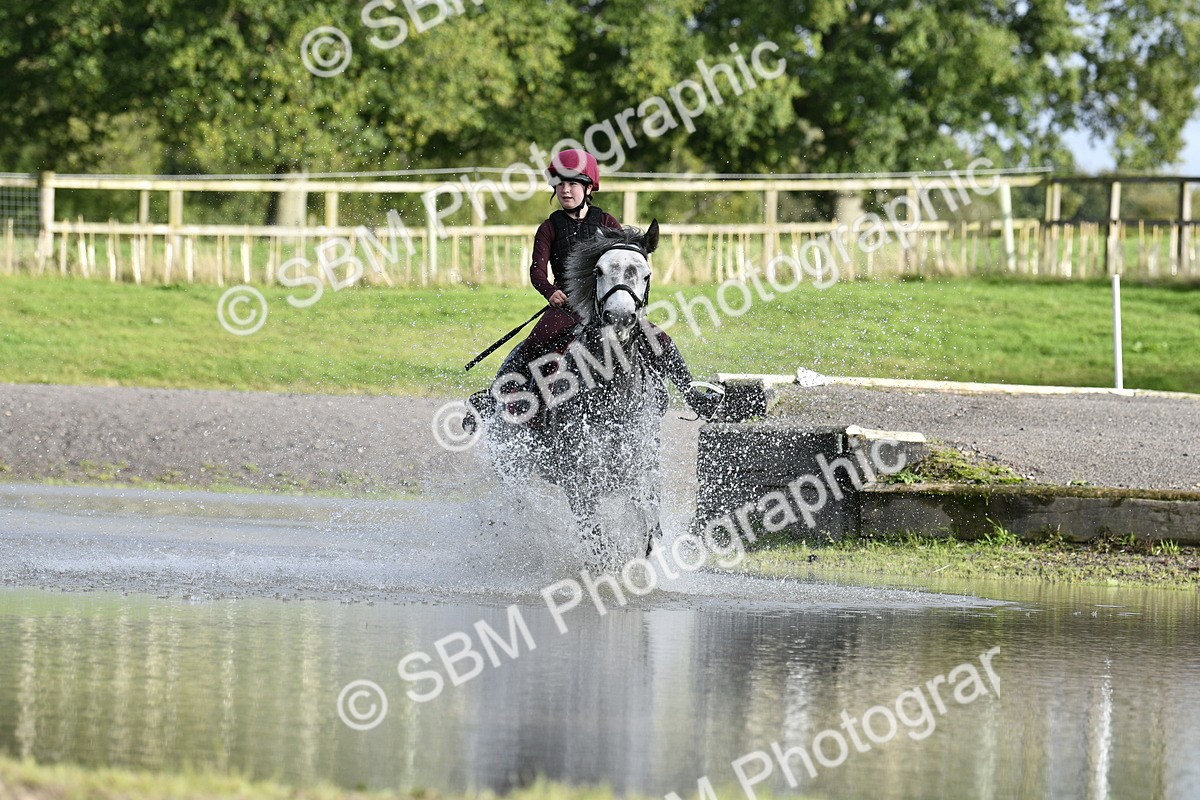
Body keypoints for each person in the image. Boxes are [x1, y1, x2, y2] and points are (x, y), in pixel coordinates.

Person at [521, 148, 621, 360]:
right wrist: (550, 292)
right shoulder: (548, 228)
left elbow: (624, 264)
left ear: (587, 188)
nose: (565, 190)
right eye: (560, 184)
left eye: (572, 184)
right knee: (533, 343)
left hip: (606, 306)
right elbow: (537, 271)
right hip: (568, 307)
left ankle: (690, 390)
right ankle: (503, 391)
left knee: (659, 338)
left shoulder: (607, 223)